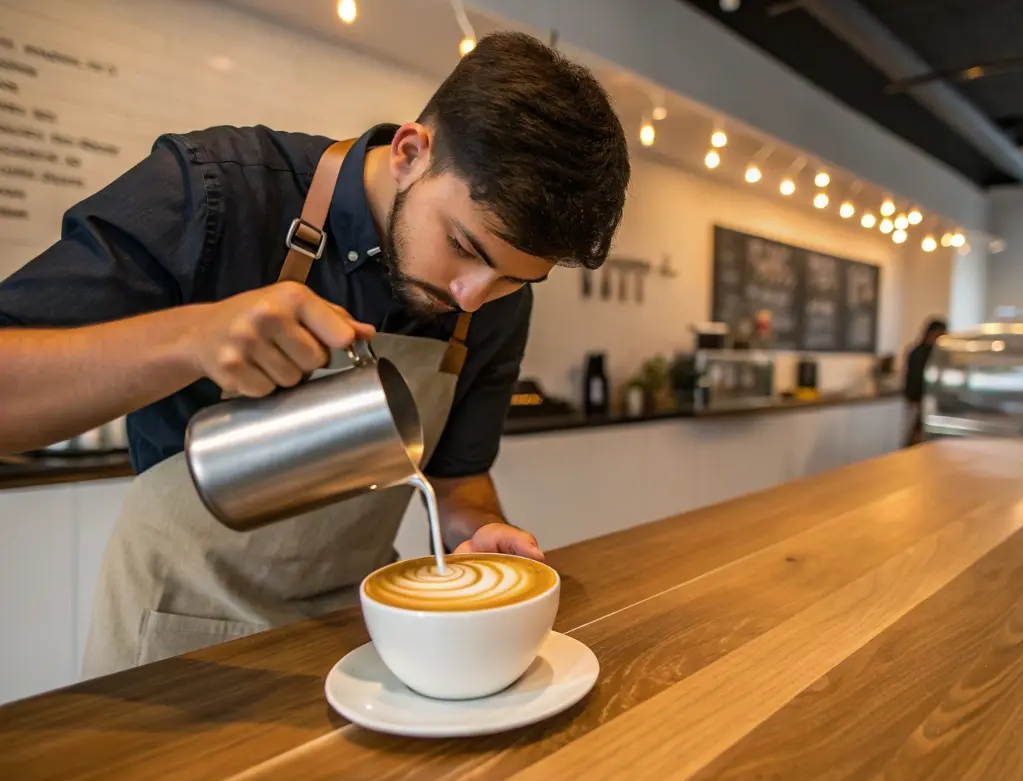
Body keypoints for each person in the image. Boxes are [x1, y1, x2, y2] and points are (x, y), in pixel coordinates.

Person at [0, 32, 631, 677]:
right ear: (411, 152)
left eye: (511, 280)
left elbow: (454, 478)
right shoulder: (220, 191)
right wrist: (191, 338)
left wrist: (484, 532)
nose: (473, 299)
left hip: (358, 635)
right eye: (465, 248)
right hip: (174, 634)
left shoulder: (492, 302)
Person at [904, 317, 947, 446]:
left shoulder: (936, 353)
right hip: (920, 399)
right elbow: (915, 378)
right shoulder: (921, 353)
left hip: (926, 399)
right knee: (918, 434)